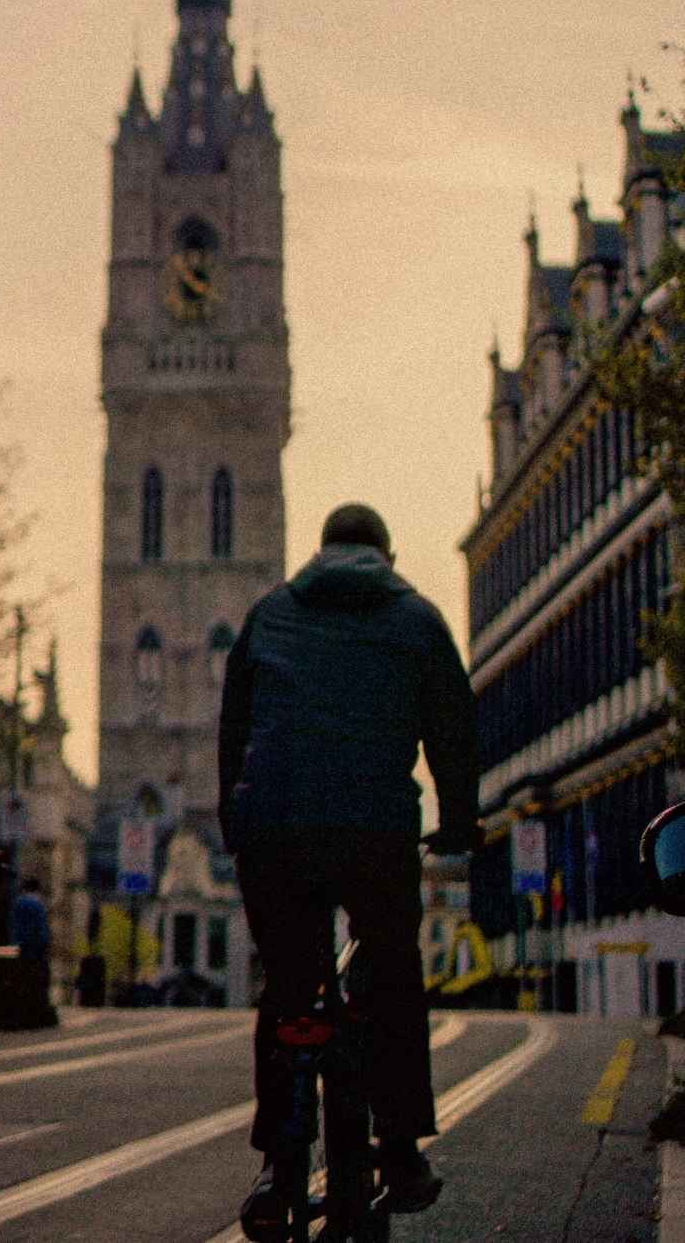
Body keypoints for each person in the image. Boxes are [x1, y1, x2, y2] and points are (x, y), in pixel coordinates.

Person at [218, 503, 480, 1236]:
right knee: (391, 971)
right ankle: (398, 1149)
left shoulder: (269, 613)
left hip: (275, 829)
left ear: (322, 551)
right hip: (374, 830)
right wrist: (458, 820)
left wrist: (237, 825)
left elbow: (232, 732)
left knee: (289, 987)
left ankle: (276, 1164)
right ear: (385, 556)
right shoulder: (418, 617)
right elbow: (453, 728)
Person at [9, 875, 53, 1022]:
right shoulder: (37, 904)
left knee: (20, 979)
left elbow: (13, 926)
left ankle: (20, 1010)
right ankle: (36, 1010)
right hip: (35, 949)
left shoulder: (17, 903)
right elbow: (42, 930)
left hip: (19, 948)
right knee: (38, 980)